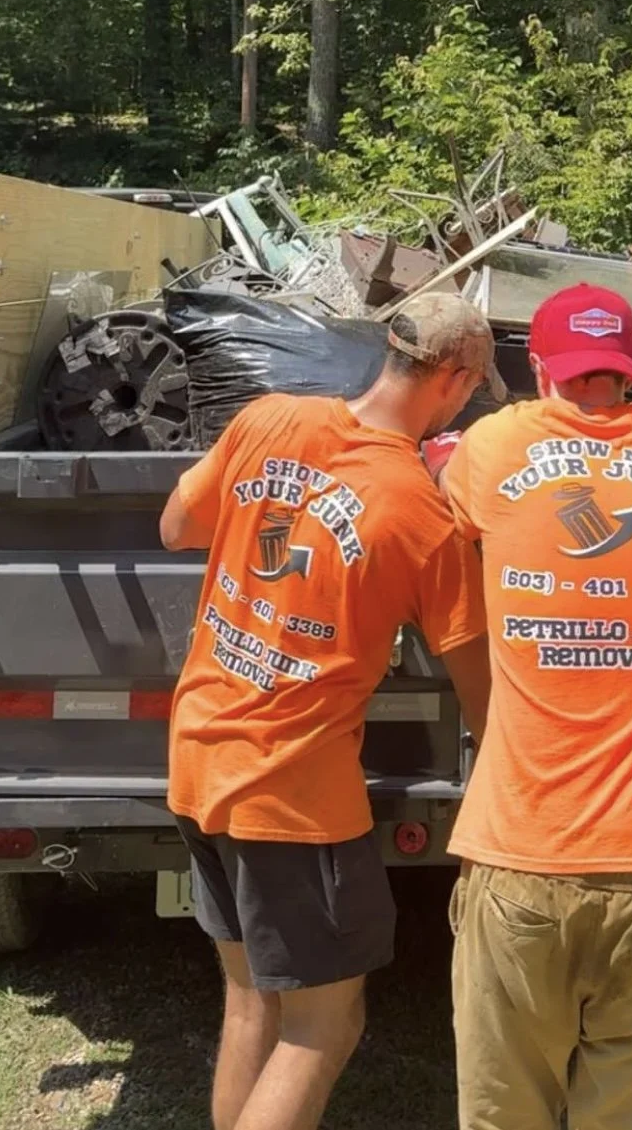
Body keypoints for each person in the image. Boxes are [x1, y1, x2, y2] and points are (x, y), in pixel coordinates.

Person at [159, 293, 499, 1130]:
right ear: (454, 381)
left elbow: (176, 526)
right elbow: (483, 699)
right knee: (325, 1025)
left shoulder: (270, 417)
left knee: (251, 1003)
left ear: (388, 353)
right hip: (293, 794)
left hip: (199, 753)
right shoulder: (425, 515)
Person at [437, 282, 632, 1130]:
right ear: (630, 372)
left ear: (537, 366)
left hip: (521, 856)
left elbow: (439, 503)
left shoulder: (491, 447)